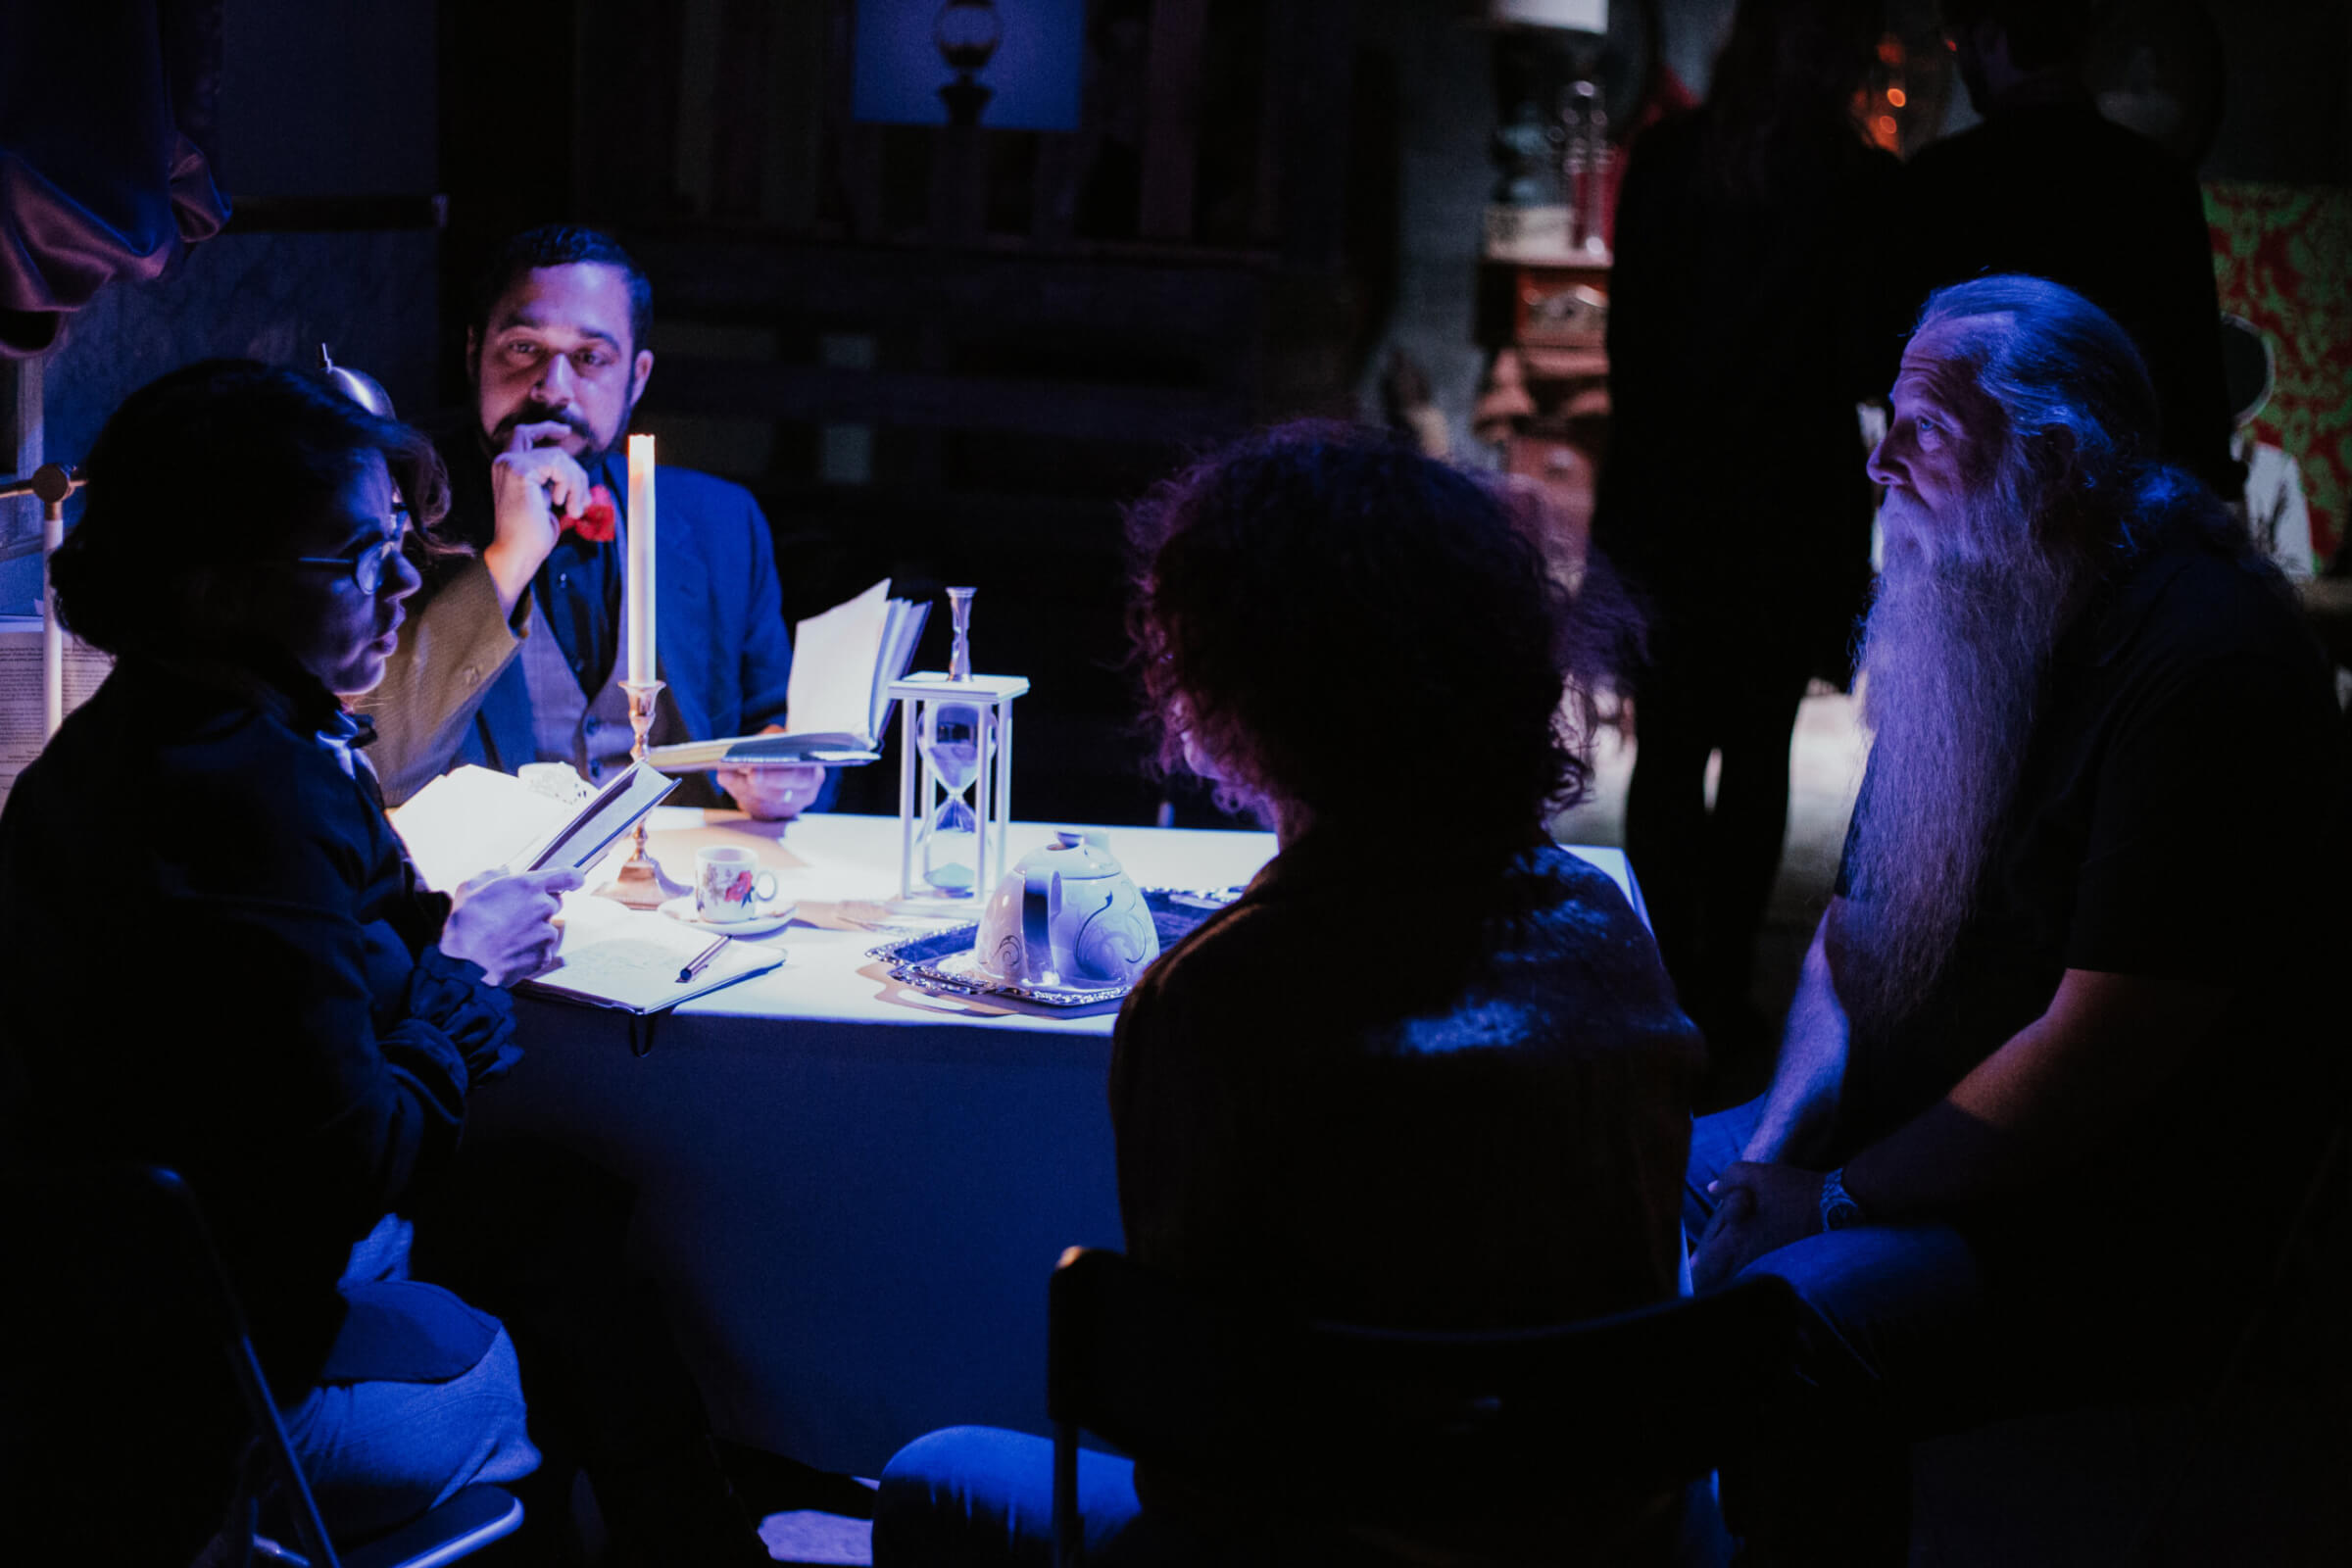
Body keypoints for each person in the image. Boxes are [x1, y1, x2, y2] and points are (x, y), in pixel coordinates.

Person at [872, 424, 1717, 1564]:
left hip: (1308, 1544)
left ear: (1232, 682)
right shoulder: (1612, 936)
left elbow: (1200, 1441)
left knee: (931, 1473)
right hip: (1602, 1537)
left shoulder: (1215, 995)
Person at [1685, 276, 2345, 1560]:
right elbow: (1851, 930)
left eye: (1923, 429)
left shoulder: (2206, 663)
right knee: (1630, 1173)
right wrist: (1776, 1146)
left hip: (2117, 1217)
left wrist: (1827, 1203)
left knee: (1782, 1328)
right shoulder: (1976, 596)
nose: (1880, 463)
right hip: (1914, 1145)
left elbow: (2101, 1053)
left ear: (2051, 456)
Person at [0, 361, 565, 1559]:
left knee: (560, 1221)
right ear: (216, 589)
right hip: (200, 1411)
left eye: (403, 540)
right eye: (363, 556)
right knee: (559, 1320)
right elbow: (357, 1161)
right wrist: (465, 965)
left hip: (80, 1350)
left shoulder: (108, 748)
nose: (408, 582)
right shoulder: (256, 793)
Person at [1592, 0, 1907, 1057]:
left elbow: (1626, 343)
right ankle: (1723, 989)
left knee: (1668, 749)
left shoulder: (1669, 158)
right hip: (1786, 500)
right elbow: (1873, 354)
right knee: (1759, 744)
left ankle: (1654, 969)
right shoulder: (1856, 179)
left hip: (1671, 490)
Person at [363, 224, 826, 818]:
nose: (553, 390)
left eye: (590, 358)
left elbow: (783, 720)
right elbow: (381, 762)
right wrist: (509, 561)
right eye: (523, 348)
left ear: (636, 376)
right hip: (484, 892)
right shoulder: (394, 510)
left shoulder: (722, 522)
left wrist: (783, 769)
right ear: (475, 352)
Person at [1907, 0, 2236, 494]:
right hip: (2119, 510)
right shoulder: (2157, 183)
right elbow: (2195, 386)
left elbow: (1900, 366)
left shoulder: (1938, 184)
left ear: (1993, 35)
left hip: (1977, 509)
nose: (1958, 58)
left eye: (1958, 40)